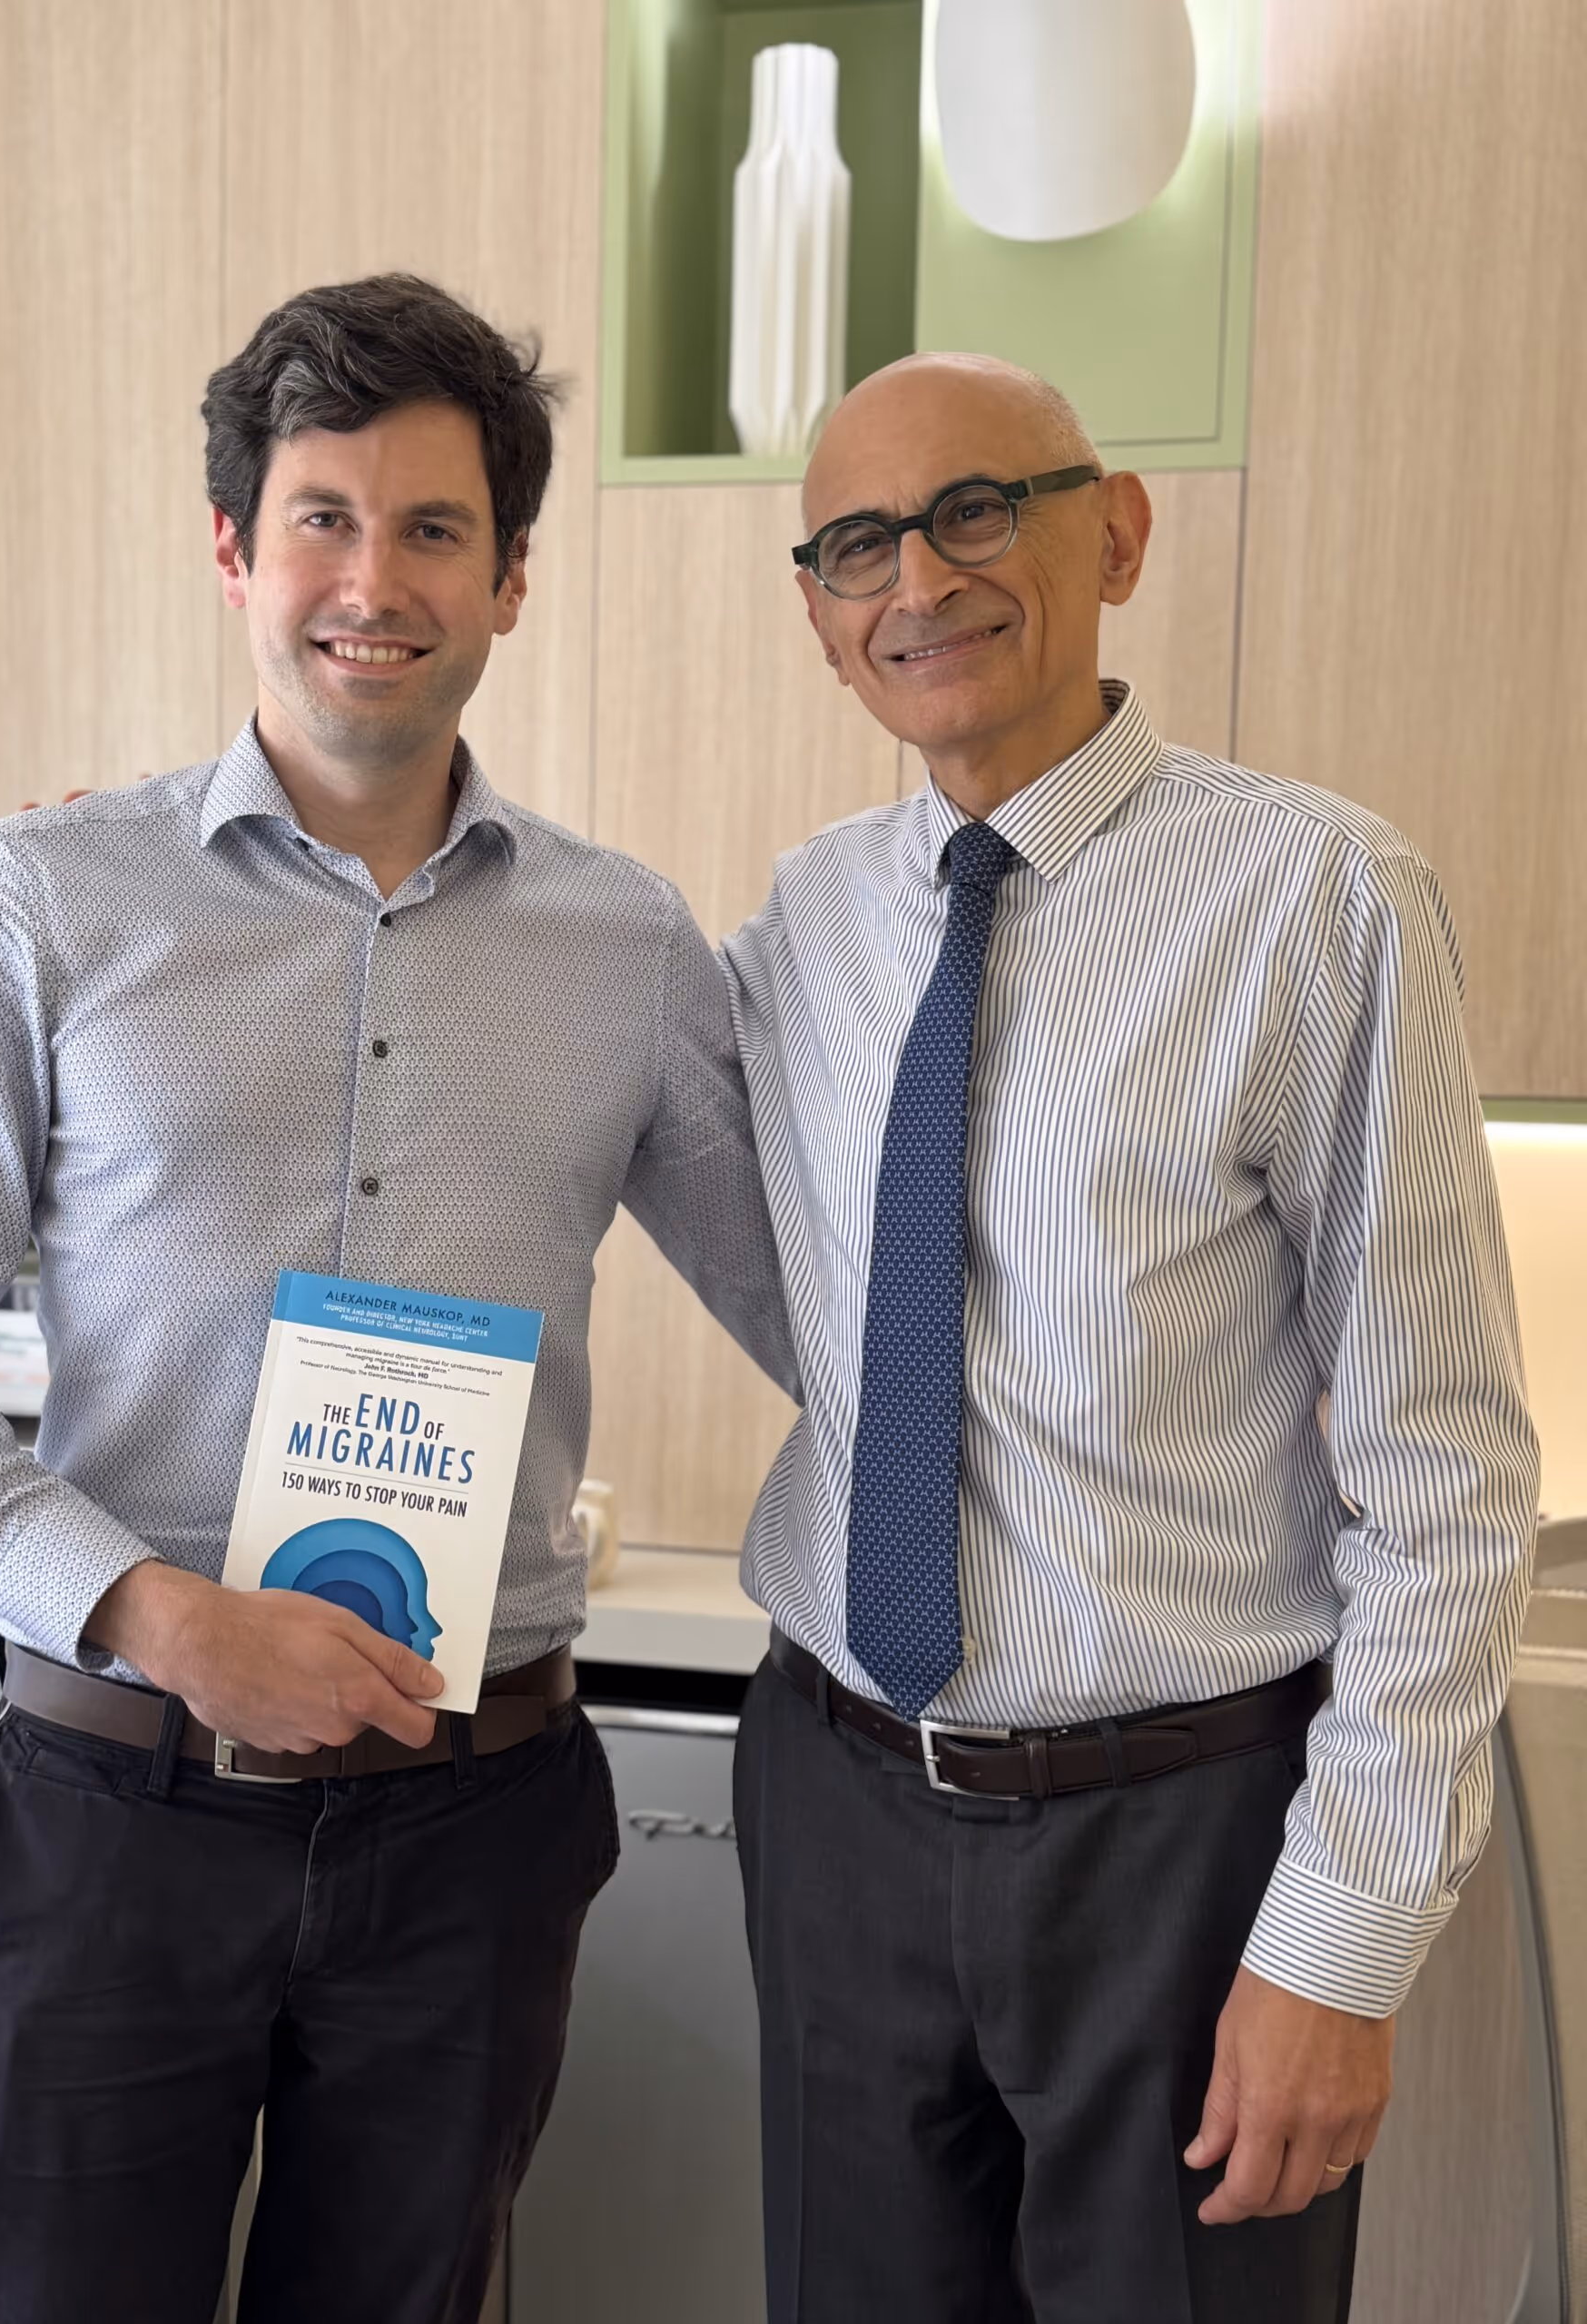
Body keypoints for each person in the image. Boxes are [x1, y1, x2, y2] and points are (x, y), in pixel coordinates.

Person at [0, 273, 794, 2324]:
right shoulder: (42, 901)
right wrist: (158, 1612)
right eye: (324, 519)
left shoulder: (626, 948)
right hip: (114, 1804)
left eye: (436, 528)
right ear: (233, 550)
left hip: (474, 1828)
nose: (376, 578)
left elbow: (829, 1310)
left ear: (512, 576)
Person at [721, 353, 1539, 2324]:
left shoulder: (1318, 895)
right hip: (837, 1796)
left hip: (1180, 1841)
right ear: (825, 626)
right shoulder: (802, 925)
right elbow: (553, 1054)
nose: (917, 575)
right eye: (854, 546)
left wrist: (1335, 1948)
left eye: (976, 507)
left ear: (1121, 530)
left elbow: (1442, 1473)